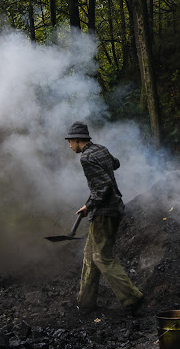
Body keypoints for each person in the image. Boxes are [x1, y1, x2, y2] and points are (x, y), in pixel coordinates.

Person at [65, 121, 144, 315]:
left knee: (102, 257)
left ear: (77, 140)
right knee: (89, 255)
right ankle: (85, 302)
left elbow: (103, 188)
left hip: (104, 213)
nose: (69, 146)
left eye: (70, 142)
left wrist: (88, 206)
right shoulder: (100, 149)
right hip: (110, 208)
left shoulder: (86, 159)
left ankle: (132, 297)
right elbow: (115, 164)